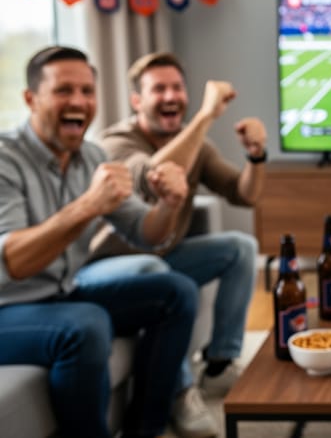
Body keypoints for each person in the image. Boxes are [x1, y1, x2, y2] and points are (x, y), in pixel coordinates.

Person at [0, 46, 197, 438]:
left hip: (60, 295)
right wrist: (88, 205)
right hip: (8, 307)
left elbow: (147, 233)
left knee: (176, 292)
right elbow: (16, 262)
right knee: (87, 324)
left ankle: (146, 429)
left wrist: (169, 203)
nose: (79, 102)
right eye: (63, 91)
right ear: (30, 98)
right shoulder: (5, 158)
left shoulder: (92, 156)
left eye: (87, 91)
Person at [82, 52, 266, 437]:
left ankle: (218, 364)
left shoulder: (193, 142)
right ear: (137, 101)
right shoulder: (113, 142)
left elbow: (243, 194)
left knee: (241, 247)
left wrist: (256, 156)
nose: (171, 96)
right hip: (112, 267)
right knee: (156, 271)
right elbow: (151, 182)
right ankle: (180, 391)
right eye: (158, 88)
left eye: (177, 87)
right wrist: (204, 116)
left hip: (165, 256)